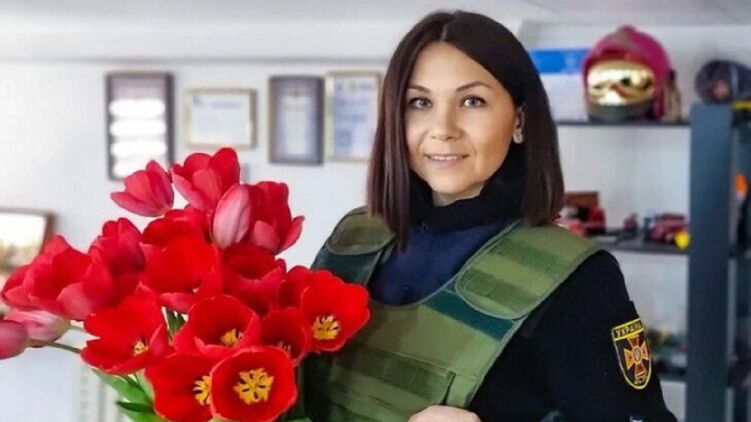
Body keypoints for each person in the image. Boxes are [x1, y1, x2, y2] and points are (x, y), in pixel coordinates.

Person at [304, 10, 677, 422]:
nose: (443, 128)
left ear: (519, 120)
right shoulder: (351, 240)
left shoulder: (577, 279)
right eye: (420, 102)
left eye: (472, 101)